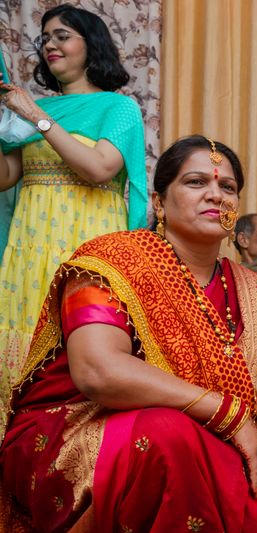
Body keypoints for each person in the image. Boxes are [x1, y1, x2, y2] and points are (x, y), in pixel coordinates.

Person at [0, 136, 257, 533]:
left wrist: (256, 446)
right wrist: (226, 415)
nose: (216, 196)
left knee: (252, 492)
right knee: (167, 434)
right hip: (77, 429)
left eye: (227, 187)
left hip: (208, 442)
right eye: (196, 182)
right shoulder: (110, 261)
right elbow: (98, 371)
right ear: (159, 201)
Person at [0, 5, 147, 419]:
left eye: (62, 35)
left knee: (81, 344)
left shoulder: (117, 109)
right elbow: (7, 176)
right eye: (45, 37)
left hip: (86, 245)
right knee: (22, 345)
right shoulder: (31, 109)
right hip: (30, 247)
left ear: (91, 43)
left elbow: (100, 168)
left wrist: (35, 116)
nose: (50, 44)